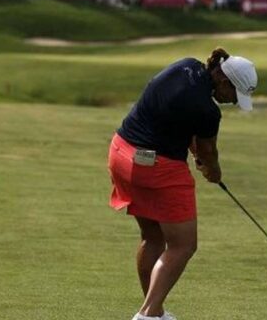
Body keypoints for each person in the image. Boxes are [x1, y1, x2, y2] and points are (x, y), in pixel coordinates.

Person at [107, 48, 258, 320]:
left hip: (122, 153)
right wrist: (214, 172)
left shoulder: (185, 66)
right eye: (235, 95)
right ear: (224, 81)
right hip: (157, 169)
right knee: (183, 245)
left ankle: (155, 311)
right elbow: (208, 153)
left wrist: (193, 150)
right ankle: (147, 314)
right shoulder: (208, 111)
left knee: (152, 237)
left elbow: (172, 113)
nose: (234, 101)